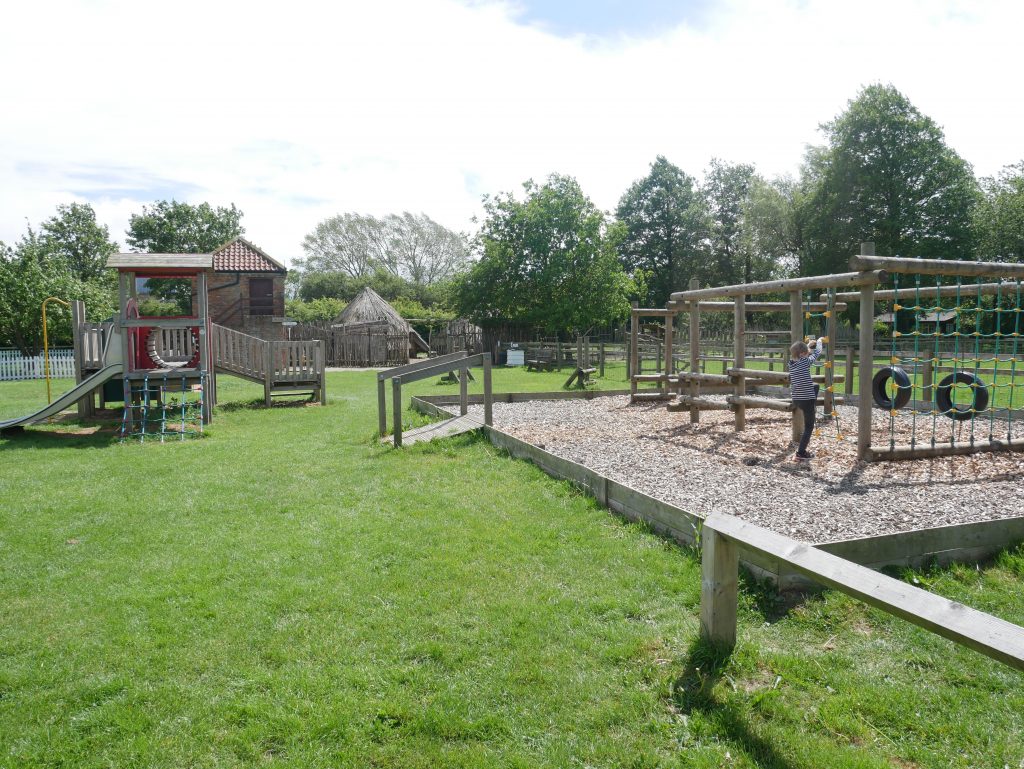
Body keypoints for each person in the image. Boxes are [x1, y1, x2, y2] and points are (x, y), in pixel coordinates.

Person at [790, 337, 824, 460]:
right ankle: (801, 452)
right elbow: (817, 353)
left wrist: (808, 345)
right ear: (803, 354)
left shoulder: (791, 363)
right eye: (806, 352)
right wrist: (819, 341)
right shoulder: (805, 362)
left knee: (815, 385)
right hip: (806, 400)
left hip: (796, 399)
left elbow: (805, 352)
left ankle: (812, 406)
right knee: (809, 427)